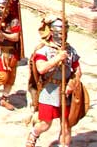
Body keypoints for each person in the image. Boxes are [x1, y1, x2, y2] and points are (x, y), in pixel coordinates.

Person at [27, 16, 81, 147]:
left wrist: (72, 84)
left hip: (66, 91)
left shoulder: (70, 50)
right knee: (45, 123)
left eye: (65, 32)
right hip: (49, 89)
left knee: (66, 124)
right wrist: (58, 58)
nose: (63, 35)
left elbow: (77, 70)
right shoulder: (43, 49)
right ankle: (33, 134)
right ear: (52, 31)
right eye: (60, 32)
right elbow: (41, 68)